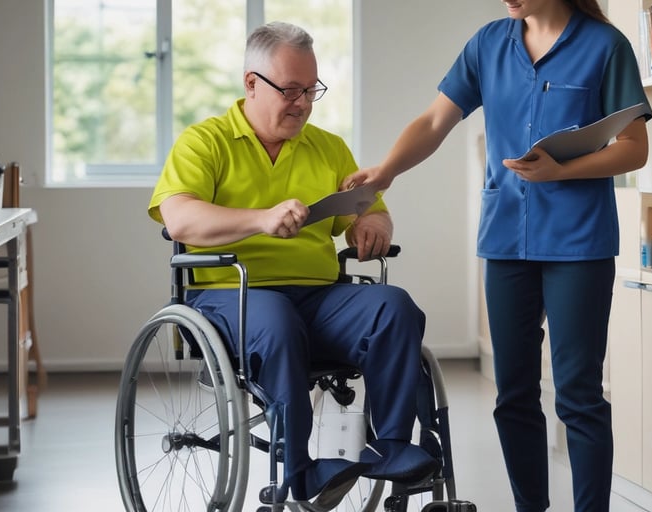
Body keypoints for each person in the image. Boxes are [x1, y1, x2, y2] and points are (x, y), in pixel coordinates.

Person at [342, 1, 652, 511]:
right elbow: (435, 120)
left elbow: (634, 147)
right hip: (507, 238)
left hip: (579, 242)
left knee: (579, 395)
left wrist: (561, 171)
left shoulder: (605, 46)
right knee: (513, 394)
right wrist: (386, 171)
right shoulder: (488, 44)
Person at [148, 21, 438, 510]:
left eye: (310, 90)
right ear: (251, 83)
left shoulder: (328, 147)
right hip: (229, 295)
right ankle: (300, 471)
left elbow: (370, 206)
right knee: (277, 320)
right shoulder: (204, 142)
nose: (302, 103)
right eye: (289, 90)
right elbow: (180, 219)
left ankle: (390, 446)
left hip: (319, 296)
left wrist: (373, 224)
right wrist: (261, 220)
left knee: (394, 306)